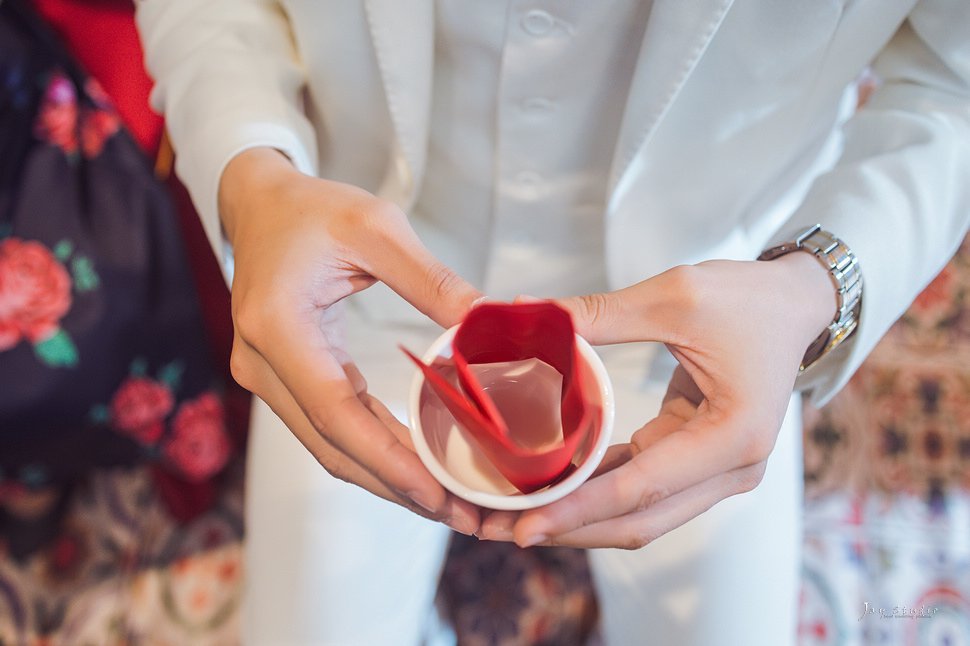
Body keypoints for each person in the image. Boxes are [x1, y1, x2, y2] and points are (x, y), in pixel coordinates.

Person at [135, 1, 970, 644]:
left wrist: (822, 282)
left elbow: (952, 77)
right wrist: (254, 174)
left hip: (708, 322)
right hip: (362, 287)